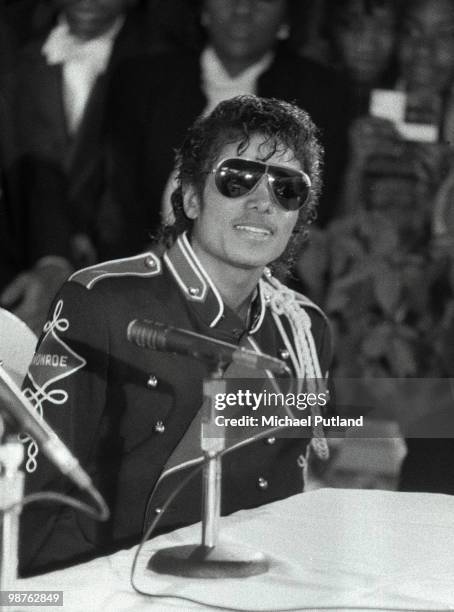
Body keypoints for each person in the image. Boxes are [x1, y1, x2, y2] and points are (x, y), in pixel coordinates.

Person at [19, 95, 332, 575]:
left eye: (287, 189)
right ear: (189, 196)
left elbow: (283, 494)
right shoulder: (104, 301)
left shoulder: (303, 330)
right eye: (237, 179)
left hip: (250, 584)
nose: (263, 202)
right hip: (111, 584)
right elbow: (37, 486)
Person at [104, 0, 350, 259]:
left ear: (287, 17)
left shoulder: (322, 93)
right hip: (146, 262)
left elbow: (314, 206)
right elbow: (117, 198)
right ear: (203, 9)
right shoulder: (143, 80)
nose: (242, 9)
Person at [0, 0, 152, 334]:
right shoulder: (16, 52)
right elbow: (28, 165)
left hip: (120, 281)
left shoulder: (162, 58)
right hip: (21, 276)